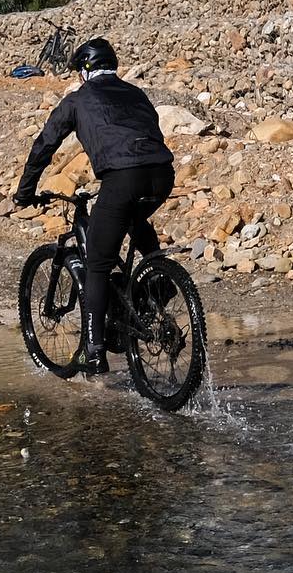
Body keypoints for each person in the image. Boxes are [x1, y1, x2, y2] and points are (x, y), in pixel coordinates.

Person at [13, 36, 174, 376]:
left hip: (122, 179)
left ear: (85, 71)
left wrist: (24, 192)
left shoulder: (77, 100)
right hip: (162, 175)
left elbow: (44, 145)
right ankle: (159, 281)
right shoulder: (136, 93)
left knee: (98, 266)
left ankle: (94, 352)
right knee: (133, 218)